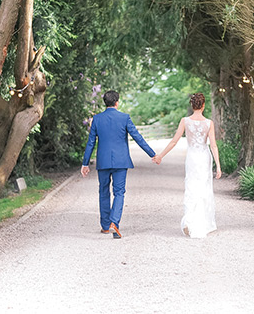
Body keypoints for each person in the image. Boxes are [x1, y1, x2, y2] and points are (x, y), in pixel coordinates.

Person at [81, 90, 156, 239]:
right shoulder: (124, 118)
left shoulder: (97, 119)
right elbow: (138, 137)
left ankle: (105, 226)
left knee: (103, 191)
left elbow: (90, 143)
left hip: (103, 161)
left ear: (105, 103)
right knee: (119, 192)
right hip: (121, 161)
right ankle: (114, 222)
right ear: (117, 102)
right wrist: (152, 154)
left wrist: (85, 163)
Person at [153, 93, 221, 238]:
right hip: (204, 157)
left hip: (192, 158)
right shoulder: (209, 123)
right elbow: (213, 146)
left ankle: (190, 221)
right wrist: (218, 166)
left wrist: (160, 156)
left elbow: (174, 141)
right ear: (203, 106)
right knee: (203, 189)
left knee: (191, 188)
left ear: (192, 105)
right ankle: (202, 222)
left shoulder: (185, 121)